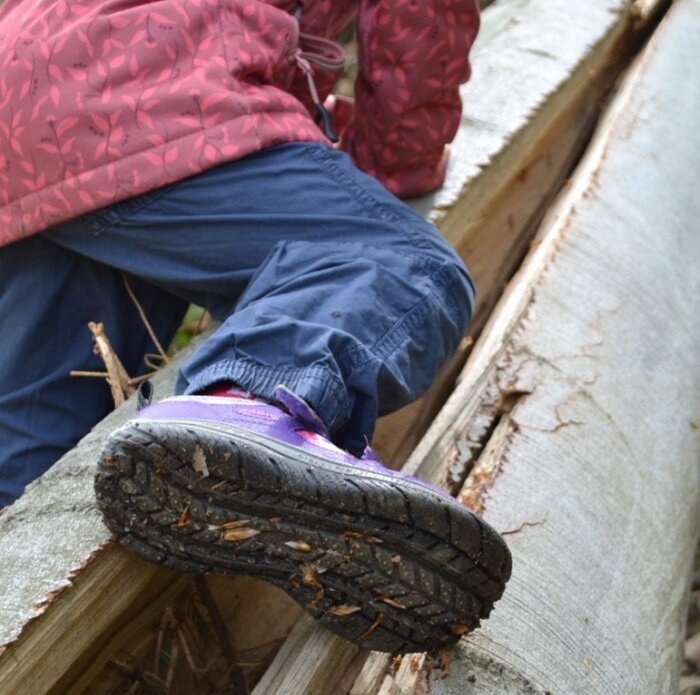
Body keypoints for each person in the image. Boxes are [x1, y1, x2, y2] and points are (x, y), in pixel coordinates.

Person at [0, 0, 510, 653]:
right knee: (404, 267)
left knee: (34, 469)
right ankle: (252, 412)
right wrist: (394, 182)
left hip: (22, 106)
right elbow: (418, 20)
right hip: (153, 91)